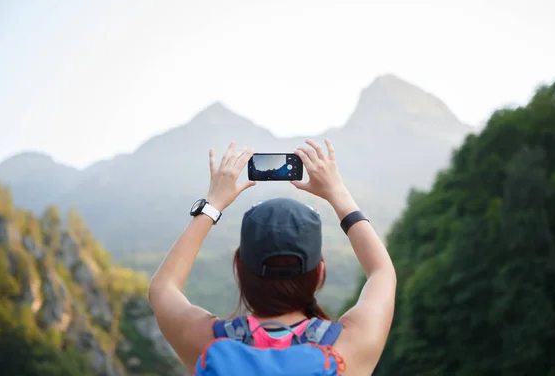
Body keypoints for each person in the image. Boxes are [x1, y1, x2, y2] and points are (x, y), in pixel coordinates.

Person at [148, 138, 397, 375]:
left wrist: (212, 206)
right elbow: (382, 272)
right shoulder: (345, 350)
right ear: (319, 272)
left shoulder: (209, 343)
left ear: (239, 267)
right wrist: (338, 194)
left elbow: (163, 289)